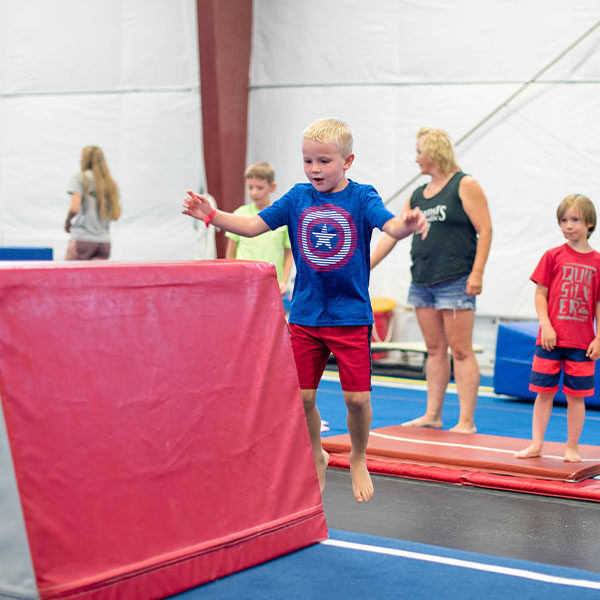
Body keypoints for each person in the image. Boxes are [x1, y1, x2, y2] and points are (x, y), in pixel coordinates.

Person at [183, 118, 429, 503]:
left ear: (347, 161)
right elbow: (249, 228)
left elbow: (390, 226)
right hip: (306, 315)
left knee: (358, 400)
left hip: (349, 316)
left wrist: (407, 224)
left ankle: (360, 456)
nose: (315, 169)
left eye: (324, 161)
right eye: (308, 161)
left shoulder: (362, 197)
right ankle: (316, 450)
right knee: (302, 398)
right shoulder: (298, 198)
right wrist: (211, 215)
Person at [371, 126, 492, 433]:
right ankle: (433, 415)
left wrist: (477, 272)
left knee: (461, 350)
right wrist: (365, 264)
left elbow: (486, 229)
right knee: (434, 349)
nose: (415, 160)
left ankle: (466, 421)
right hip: (423, 279)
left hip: (455, 278)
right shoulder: (416, 195)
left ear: (434, 152)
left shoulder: (464, 185)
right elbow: (393, 232)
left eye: (419, 153)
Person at [515, 194, 600, 463]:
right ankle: (537, 443)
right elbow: (541, 295)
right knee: (544, 392)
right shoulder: (552, 256)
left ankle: (572, 445)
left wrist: (599, 338)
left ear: (589, 223)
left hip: (582, 343)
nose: (568, 226)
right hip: (550, 339)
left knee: (577, 397)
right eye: (563, 220)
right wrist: (546, 325)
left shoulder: (597, 262)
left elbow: (598, 304)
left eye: (574, 220)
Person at [225, 162, 293, 294]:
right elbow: (230, 252)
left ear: (272, 187)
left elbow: (289, 253)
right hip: (243, 282)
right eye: (250, 187)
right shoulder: (240, 214)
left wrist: (284, 281)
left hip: (271, 283)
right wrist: (231, 277)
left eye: (259, 188)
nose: (254, 192)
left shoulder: (280, 216)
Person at [64, 146, 121, 260]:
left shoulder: (81, 178)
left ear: (85, 160)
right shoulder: (110, 183)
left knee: (68, 276)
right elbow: (117, 213)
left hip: (83, 239)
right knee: (95, 278)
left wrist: (68, 221)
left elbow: (74, 208)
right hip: (104, 243)